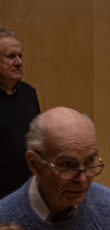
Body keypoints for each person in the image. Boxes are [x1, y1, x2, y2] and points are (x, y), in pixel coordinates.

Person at [0, 28, 40, 198]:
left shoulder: (29, 93)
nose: (18, 62)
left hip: (28, 193)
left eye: (20, 56)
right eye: (11, 56)